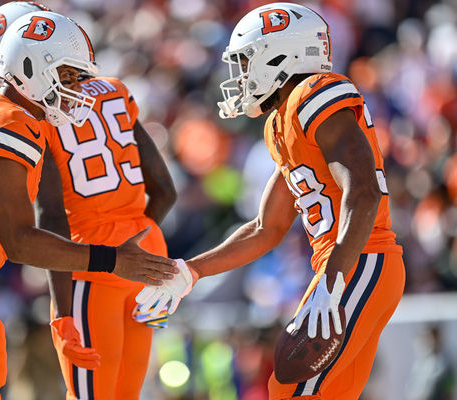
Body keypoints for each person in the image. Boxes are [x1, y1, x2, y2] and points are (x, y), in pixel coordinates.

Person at [0, 11, 177, 399]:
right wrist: (113, 259)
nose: (77, 88)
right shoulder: (13, 125)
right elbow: (19, 242)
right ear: (30, 67)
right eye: (69, 75)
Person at [136, 3, 405, 400]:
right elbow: (266, 228)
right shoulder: (282, 122)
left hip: (359, 259)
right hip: (349, 265)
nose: (242, 75)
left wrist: (333, 280)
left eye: (247, 62)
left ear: (280, 55)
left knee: (290, 386)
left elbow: (364, 190)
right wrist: (191, 271)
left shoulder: (315, 93)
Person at [36, 64, 177, 399]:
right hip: (149, 261)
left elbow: (53, 219)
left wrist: (65, 314)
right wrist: (137, 238)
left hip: (94, 264)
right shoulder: (113, 89)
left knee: (90, 395)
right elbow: (166, 192)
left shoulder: (40, 110)